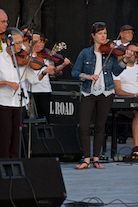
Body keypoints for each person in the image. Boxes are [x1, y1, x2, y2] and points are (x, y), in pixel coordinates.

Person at [71, 22, 133, 169]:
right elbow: (74, 72)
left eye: (104, 33)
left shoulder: (111, 52)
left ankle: (96, 158)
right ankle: (86, 159)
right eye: (100, 33)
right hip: (88, 92)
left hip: (106, 92)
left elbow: (116, 71)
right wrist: (86, 76)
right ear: (93, 36)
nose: (103, 36)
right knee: (84, 126)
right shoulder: (85, 53)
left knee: (100, 126)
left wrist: (125, 60)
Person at [0, 27, 55, 158]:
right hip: (4, 102)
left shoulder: (24, 59)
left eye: (21, 42)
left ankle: (16, 161)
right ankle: (3, 162)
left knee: (17, 135)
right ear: (9, 42)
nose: (21, 46)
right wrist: (7, 83)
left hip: (20, 103)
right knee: (5, 133)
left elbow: (33, 80)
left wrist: (43, 72)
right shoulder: (1, 59)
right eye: (18, 43)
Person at [29, 33, 70, 123]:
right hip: (31, 90)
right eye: (40, 42)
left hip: (44, 89)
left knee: (44, 115)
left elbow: (52, 71)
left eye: (43, 43)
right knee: (31, 117)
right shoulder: (27, 56)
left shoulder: (47, 56)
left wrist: (63, 64)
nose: (42, 45)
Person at [113, 44, 138, 156]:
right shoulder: (119, 68)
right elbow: (117, 90)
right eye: (132, 51)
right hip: (124, 103)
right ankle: (136, 147)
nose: (134, 54)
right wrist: (132, 94)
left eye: (136, 52)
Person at [113, 24, 135, 144]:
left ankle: (122, 136)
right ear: (121, 33)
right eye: (127, 32)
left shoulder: (133, 48)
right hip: (114, 75)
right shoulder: (114, 44)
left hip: (125, 74)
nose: (130, 34)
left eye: (131, 33)